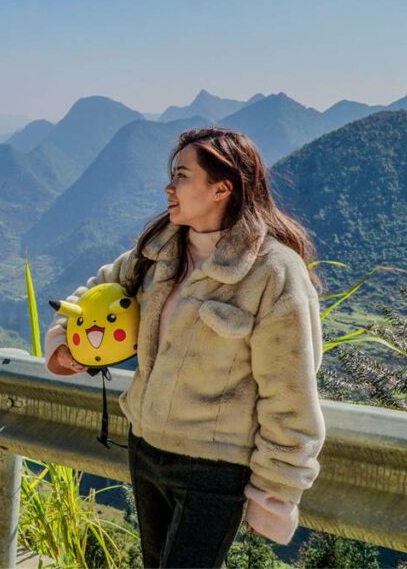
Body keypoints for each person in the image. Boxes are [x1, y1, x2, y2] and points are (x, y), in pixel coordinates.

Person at [45, 127, 326, 568]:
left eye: (181, 176)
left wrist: (274, 494)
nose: (168, 187)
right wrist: (65, 346)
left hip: (214, 468)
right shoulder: (158, 252)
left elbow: (290, 394)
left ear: (222, 187)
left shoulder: (273, 272)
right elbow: (91, 294)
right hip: (146, 448)